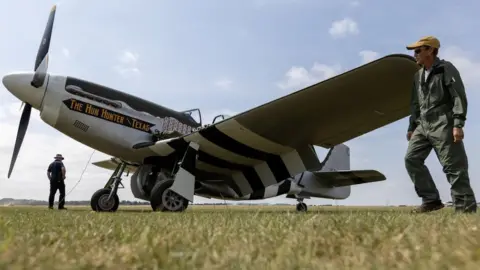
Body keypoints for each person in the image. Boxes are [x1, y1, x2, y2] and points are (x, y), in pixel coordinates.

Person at [404, 35, 477, 213]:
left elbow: (458, 96)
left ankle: (465, 208)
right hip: (423, 124)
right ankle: (431, 200)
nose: (415, 54)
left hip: (443, 121)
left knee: (453, 165)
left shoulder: (446, 69)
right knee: (411, 159)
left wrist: (458, 124)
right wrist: (412, 127)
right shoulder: (417, 76)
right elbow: (415, 103)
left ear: (430, 50)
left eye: (418, 50)